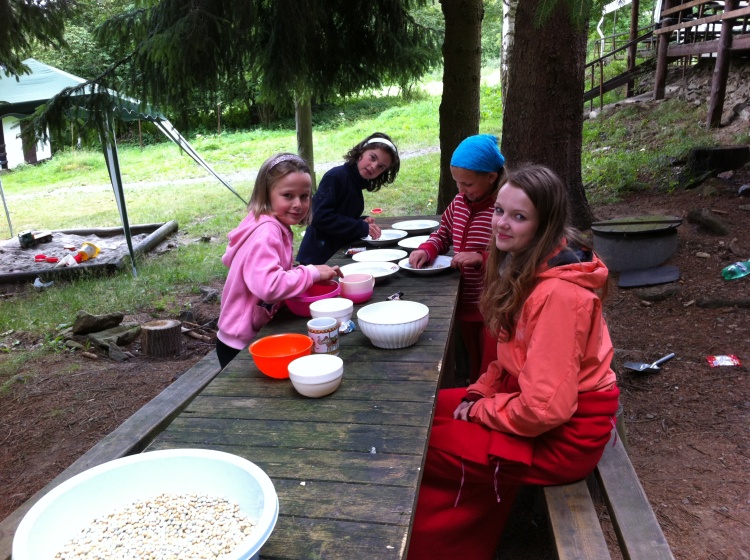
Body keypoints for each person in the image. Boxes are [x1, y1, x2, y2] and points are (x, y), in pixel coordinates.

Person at [407, 164, 621, 560]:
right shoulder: (527, 263)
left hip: (563, 438)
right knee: (421, 412)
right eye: (499, 210)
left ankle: (431, 545)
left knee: (418, 446)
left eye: (519, 216)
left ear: (545, 224)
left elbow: (545, 409)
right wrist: (479, 392)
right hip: (528, 403)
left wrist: (481, 410)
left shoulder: (559, 296)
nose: (501, 224)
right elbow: (512, 359)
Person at [216, 153, 342, 369]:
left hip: (247, 334)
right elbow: (269, 286)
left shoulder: (273, 223)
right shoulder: (267, 232)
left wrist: (308, 277)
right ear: (266, 194)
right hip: (240, 343)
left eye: (304, 196)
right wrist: (311, 273)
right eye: (288, 195)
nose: (298, 204)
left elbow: (271, 272)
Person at [408, 134, 505, 383]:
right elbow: (443, 234)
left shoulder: (503, 211)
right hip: (461, 301)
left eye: (468, 184)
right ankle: (467, 384)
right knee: (467, 358)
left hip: (491, 306)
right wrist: (427, 249)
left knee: (490, 364)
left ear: (491, 177)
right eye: (457, 183)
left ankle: (482, 393)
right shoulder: (459, 203)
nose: (461, 190)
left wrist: (482, 257)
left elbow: (515, 256)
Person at [296, 132, 400, 265]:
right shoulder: (336, 177)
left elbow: (341, 215)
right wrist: (360, 227)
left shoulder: (356, 183)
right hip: (317, 259)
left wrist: (361, 221)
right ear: (361, 151)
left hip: (335, 254)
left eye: (381, 167)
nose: (374, 166)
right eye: (372, 158)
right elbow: (319, 217)